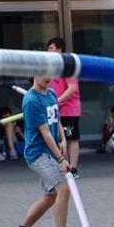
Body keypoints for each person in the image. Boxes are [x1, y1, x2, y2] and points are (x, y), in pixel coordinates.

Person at [9, 71, 82, 227]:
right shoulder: (31, 101)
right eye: (42, 73)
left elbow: (56, 122)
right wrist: (61, 158)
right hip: (38, 154)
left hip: (51, 153)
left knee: (51, 196)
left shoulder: (51, 94)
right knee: (64, 189)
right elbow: (45, 133)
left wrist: (64, 139)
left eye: (50, 73)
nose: (48, 77)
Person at [45, 37, 83, 170]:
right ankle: (64, 167)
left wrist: (57, 101)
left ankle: (73, 168)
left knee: (71, 138)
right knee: (59, 139)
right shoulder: (51, 68)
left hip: (69, 109)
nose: (48, 51)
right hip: (56, 109)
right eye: (48, 48)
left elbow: (72, 89)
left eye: (51, 48)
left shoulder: (68, 66)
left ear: (59, 49)